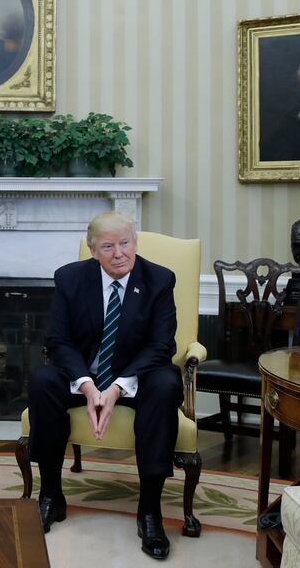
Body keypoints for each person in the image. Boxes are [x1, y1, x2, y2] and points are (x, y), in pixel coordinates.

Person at [28, 211, 183, 560]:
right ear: (93, 249)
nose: (119, 253)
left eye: (125, 243)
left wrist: (116, 388)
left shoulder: (159, 280)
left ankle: (149, 512)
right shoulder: (70, 278)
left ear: (135, 242)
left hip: (137, 376)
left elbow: (162, 346)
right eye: (109, 246)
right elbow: (58, 341)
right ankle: (51, 496)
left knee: (165, 384)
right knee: (42, 381)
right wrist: (86, 385)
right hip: (86, 375)